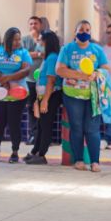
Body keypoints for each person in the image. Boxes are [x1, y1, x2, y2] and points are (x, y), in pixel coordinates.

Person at [56, 20, 110, 172]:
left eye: (87, 30)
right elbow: (59, 70)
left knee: (92, 129)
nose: (84, 32)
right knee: (77, 128)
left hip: (94, 96)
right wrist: (81, 75)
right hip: (72, 95)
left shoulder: (97, 49)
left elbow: (107, 69)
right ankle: (78, 160)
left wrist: (96, 73)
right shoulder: (67, 49)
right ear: (75, 32)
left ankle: (95, 162)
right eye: (81, 29)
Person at [0, 27, 31, 163]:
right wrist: (3, 81)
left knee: (14, 122)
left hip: (18, 93)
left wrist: (8, 78)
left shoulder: (23, 52)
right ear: (7, 40)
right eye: (15, 40)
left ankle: (15, 152)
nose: (18, 42)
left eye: (19, 39)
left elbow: (26, 70)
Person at [26, 30, 63, 165]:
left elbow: (51, 80)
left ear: (47, 42)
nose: (39, 43)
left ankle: (42, 154)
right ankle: (35, 151)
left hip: (51, 95)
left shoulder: (52, 57)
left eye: (41, 40)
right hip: (44, 95)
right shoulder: (48, 57)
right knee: (41, 125)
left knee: (46, 125)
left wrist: (45, 101)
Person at [22, 16, 45, 144]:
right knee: (31, 107)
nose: (33, 25)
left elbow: (48, 53)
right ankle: (33, 135)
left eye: (35, 23)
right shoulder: (25, 39)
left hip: (43, 80)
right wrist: (39, 54)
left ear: (40, 25)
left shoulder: (45, 38)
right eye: (31, 23)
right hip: (29, 79)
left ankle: (43, 136)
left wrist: (34, 53)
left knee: (44, 108)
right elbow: (23, 55)